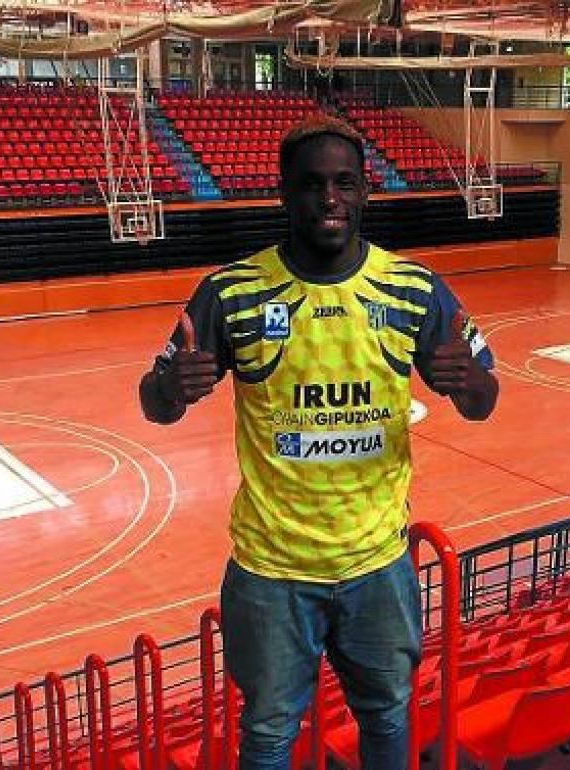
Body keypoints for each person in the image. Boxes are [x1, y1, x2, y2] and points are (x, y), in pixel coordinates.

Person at [139, 115, 499, 770]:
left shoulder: (414, 290)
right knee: (269, 734)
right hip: (271, 570)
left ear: (365, 190)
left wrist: (470, 382)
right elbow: (154, 402)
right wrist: (169, 389)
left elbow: (484, 400)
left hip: (378, 563)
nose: (329, 198)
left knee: (388, 714)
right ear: (284, 192)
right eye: (311, 184)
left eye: (344, 182)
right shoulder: (232, 292)